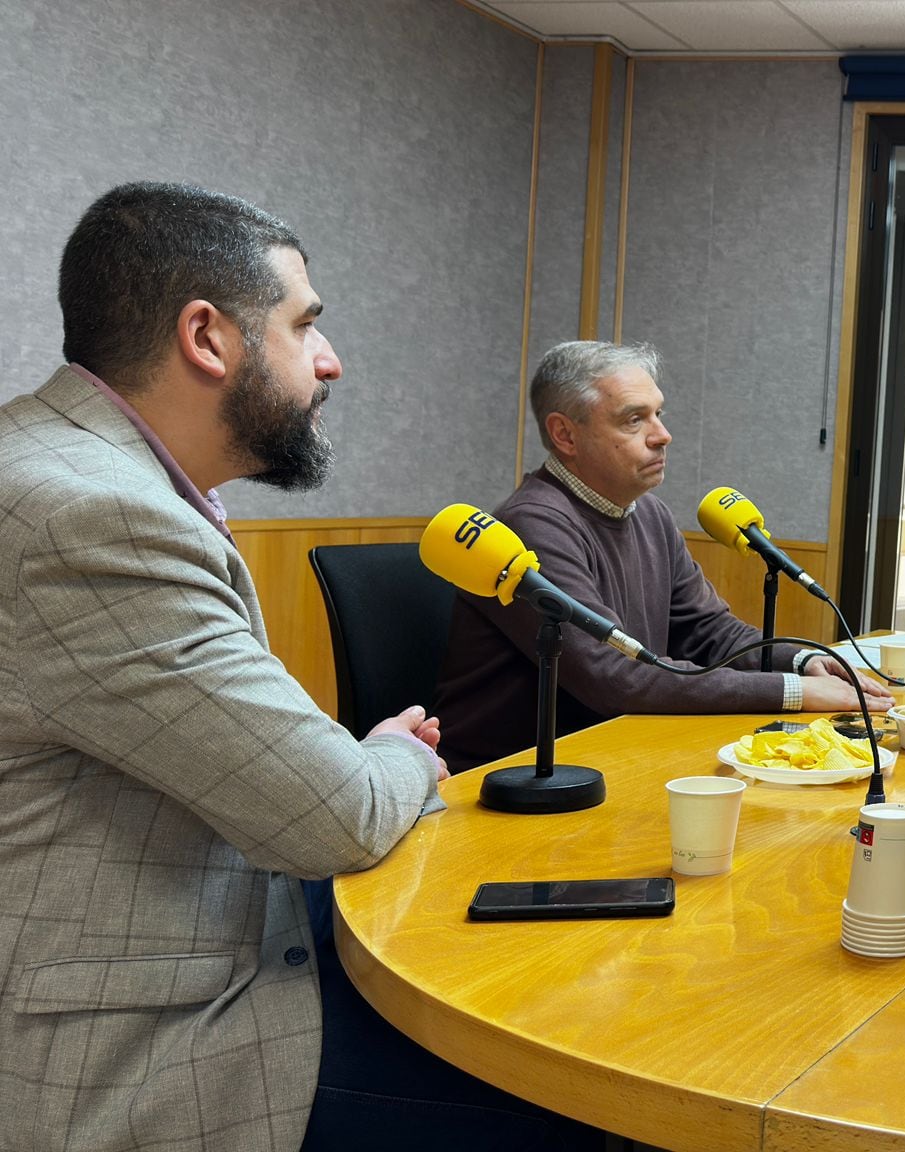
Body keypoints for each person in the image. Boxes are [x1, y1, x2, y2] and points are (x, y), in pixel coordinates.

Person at [0, 184, 593, 1150]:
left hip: (207, 916)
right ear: (208, 337)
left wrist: (356, 763)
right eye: (305, 324)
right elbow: (337, 816)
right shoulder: (95, 518)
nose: (330, 360)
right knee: (565, 1092)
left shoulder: (68, 467)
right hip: (148, 1042)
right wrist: (396, 756)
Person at [436, 340, 891, 772]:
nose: (663, 435)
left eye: (659, 414)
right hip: (511, 780)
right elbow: (613, 676)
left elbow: (707, 631)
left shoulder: (649, 513)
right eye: (634, 420)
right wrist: (795, 692)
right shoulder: (531, 525)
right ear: (565, 435)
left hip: (615, 755)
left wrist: (800, 661)